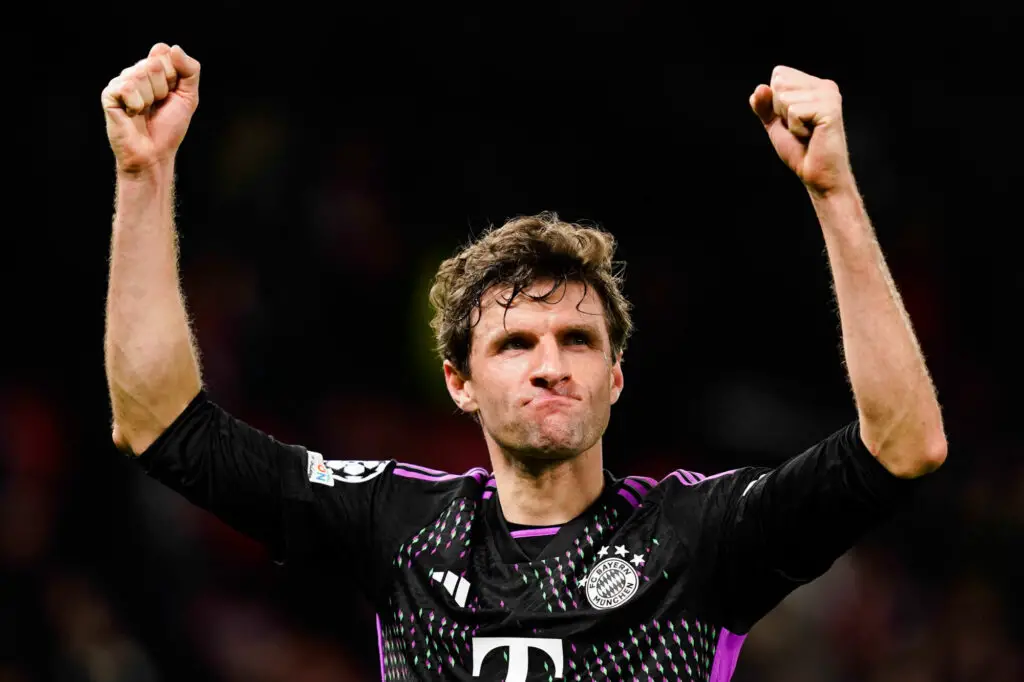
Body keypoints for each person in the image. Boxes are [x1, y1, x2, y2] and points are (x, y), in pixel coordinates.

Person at [102, 43, 947, 682]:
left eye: (578, 340)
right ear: (459, 384)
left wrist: (834, 191)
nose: (552, 365)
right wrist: (143, 172)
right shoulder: (397, 526)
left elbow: (903, 446)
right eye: (514, 344)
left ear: (616, 376)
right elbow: (161, 425)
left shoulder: (699, 537)